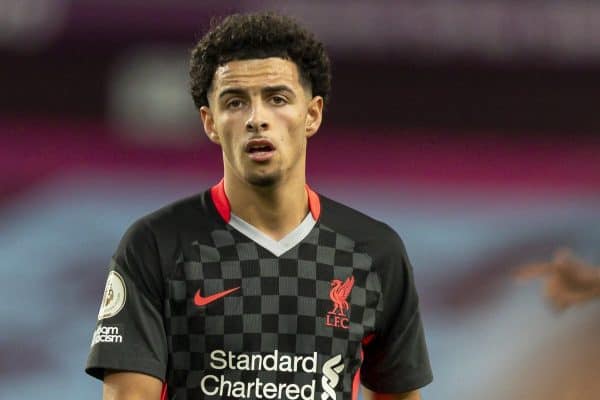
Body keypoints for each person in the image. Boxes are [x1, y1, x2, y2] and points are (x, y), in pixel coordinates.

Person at [85, 12, 433, 400]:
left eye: (277, 98)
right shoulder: (156, 245)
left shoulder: (373, 252)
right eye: (235, 102)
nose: (256, 119)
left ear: (312, 114)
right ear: (210, 122)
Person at [516, 247, 600, 310]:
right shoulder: (563, 292)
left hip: (577, 282)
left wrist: (528, 273)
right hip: (579, 284)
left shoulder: (554, 288)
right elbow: (584, 295)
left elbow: (551, 268)